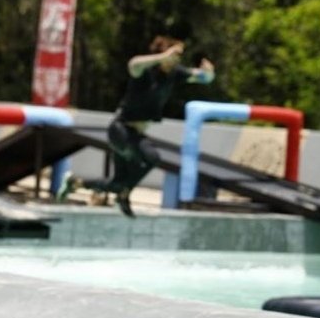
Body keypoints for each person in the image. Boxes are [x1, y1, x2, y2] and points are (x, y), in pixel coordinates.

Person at [56, 35, 214, 217]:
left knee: (117, 183)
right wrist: (163, 57)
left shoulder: (174, 74)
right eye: (174, 55)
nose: (177, 59)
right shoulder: (145, 72)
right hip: (120, 130)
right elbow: (133, 63)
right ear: (163, 53)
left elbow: (203, 78)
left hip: (133, 135)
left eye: (178, 56)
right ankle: (124, 194)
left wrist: (208, 72)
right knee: (152, 157)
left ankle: (75, 183)